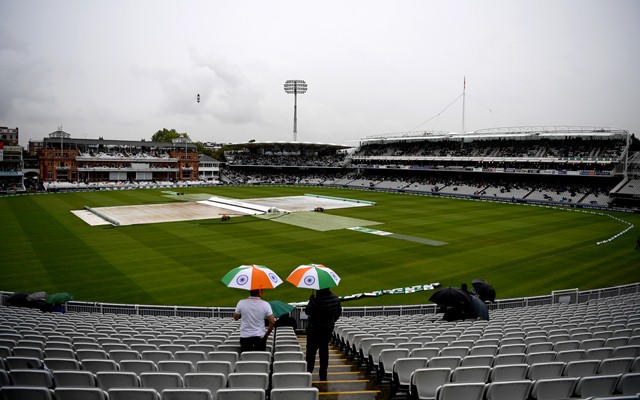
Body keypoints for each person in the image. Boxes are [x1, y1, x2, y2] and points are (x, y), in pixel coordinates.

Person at [305, 288, 342, 381]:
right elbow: (338, 313)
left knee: (311, 354)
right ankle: (323, 374)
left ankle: (308, 373)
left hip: (314, 331)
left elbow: (308, 311)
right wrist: (331, 322)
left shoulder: (317, 300)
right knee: (324, 351)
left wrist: (311, 301)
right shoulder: (335, 299)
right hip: (327, 331)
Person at [233, 289, 275, 353]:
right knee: (259, 359)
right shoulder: (265, 304)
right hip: (260, 336)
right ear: (259, 293)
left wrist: (244, 313)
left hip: (245, 335)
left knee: (246, 359)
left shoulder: (241, 302)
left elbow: (236, 318)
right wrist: (267, 334)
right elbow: (272, 321)